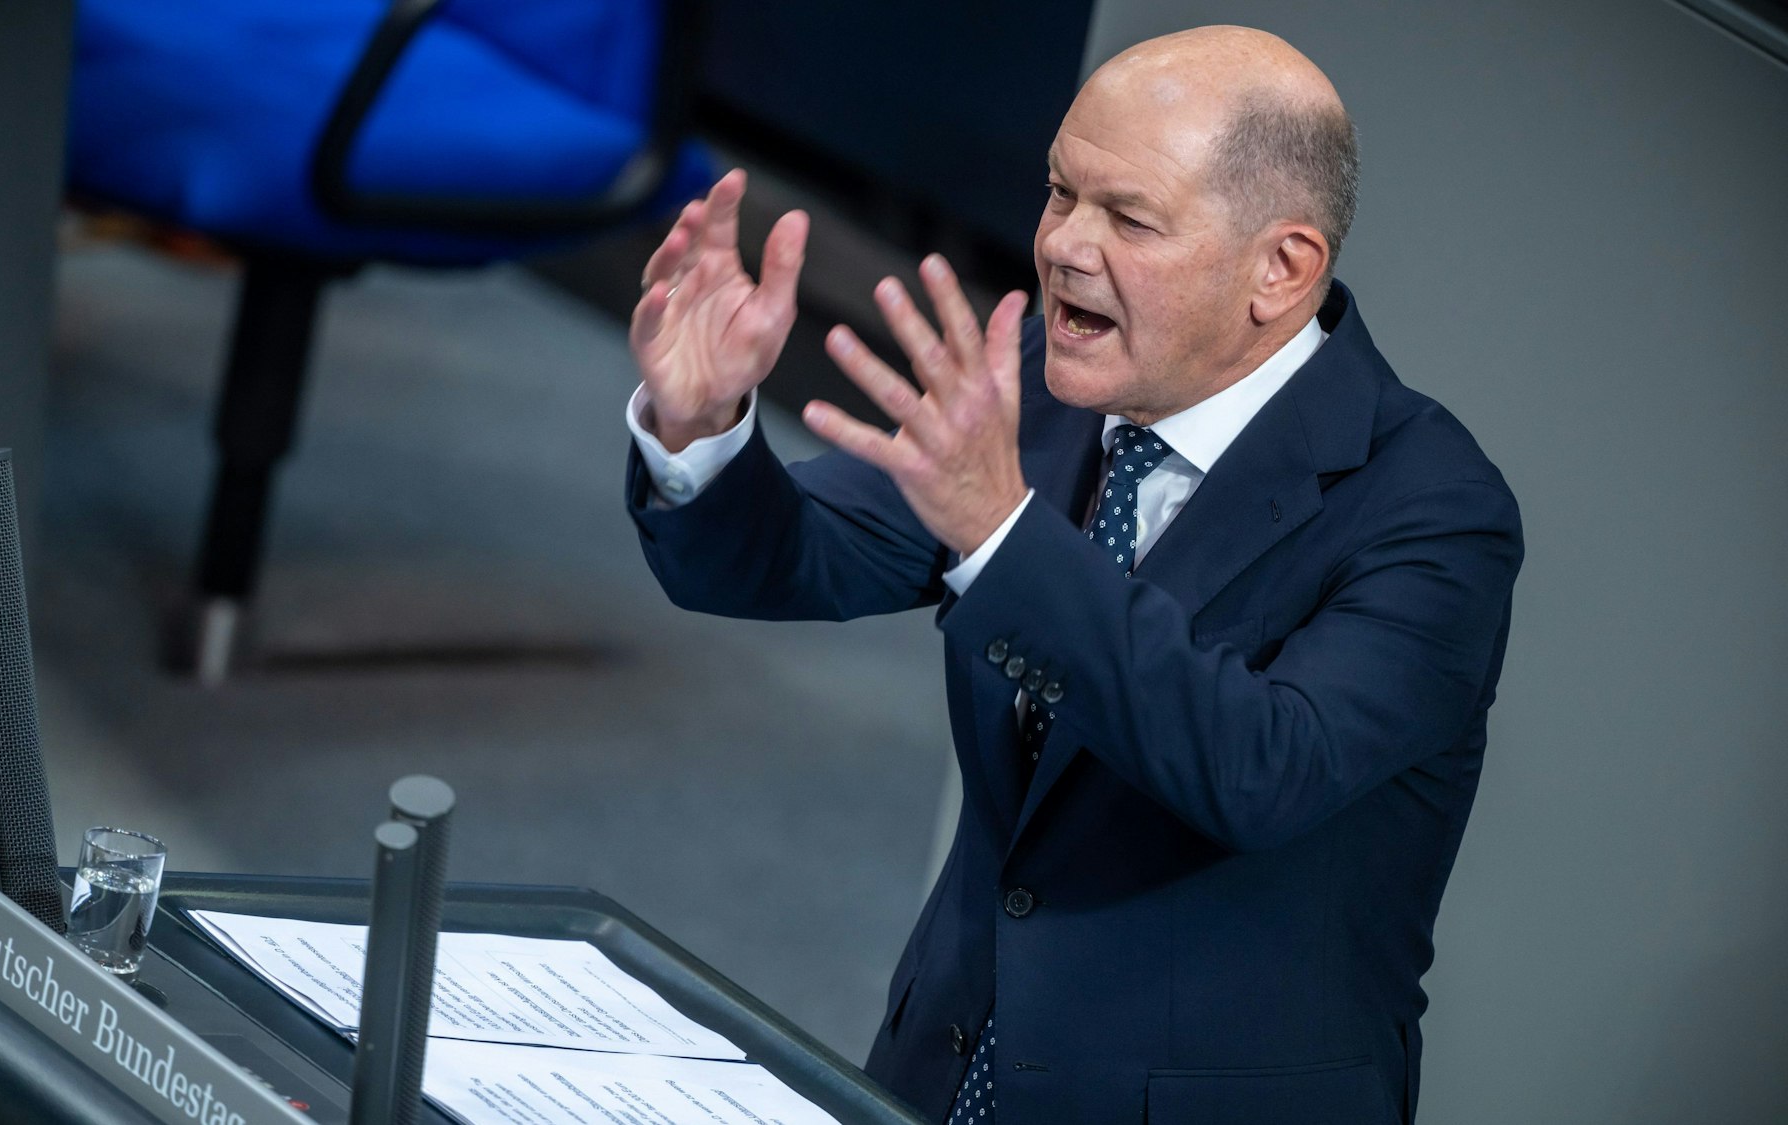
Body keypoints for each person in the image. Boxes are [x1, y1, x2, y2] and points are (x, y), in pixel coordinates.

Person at [621, 25, 1522, 1125]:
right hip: (943, 1075)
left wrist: (998, 535)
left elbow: (1262, 768)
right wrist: (701, 421)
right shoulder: (1043, 385)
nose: (1062, 245)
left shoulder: (1434, 509)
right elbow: (788, 556)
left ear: (1280, 269)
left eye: (1128, 218)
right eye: (1060, 192)